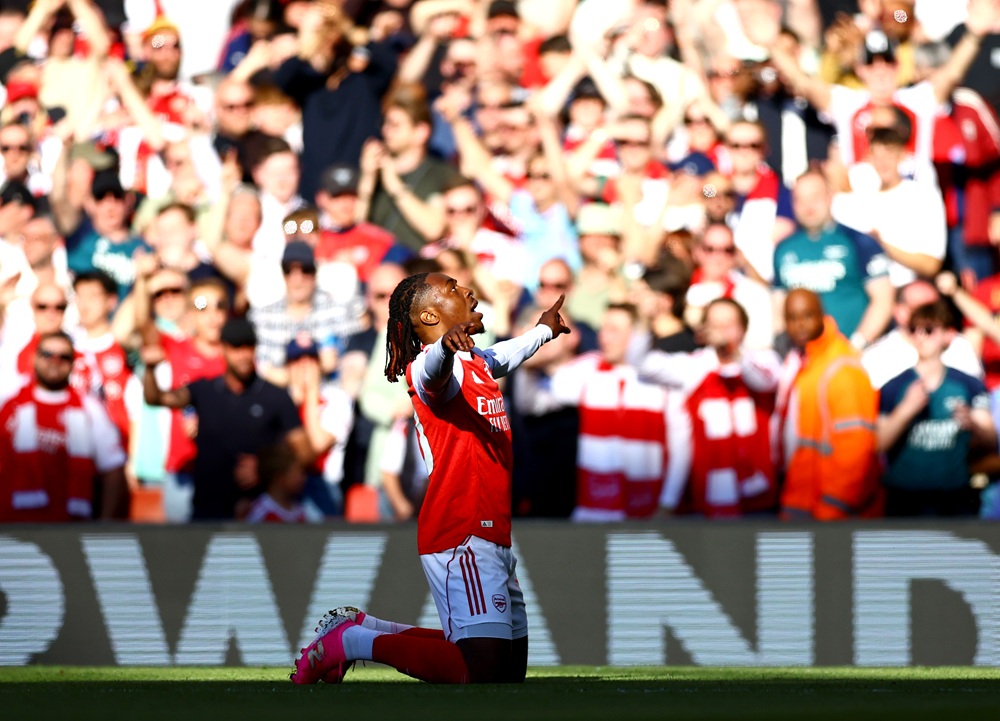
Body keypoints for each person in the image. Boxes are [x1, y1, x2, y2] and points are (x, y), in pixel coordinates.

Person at [291, 271, 569, 685]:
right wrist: (443, 345)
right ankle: (350, 643)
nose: (468, 291)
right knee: (481, 673)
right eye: (453, 289)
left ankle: (366, 627)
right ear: (429, 314)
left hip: (491, 529)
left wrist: (543, 332)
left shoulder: (475, 362)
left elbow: (506, 354)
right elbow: (433, 369)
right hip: (461, 531)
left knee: (508, 674)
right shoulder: (427, 367)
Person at [141, 316, 313, 520]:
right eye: (235, 347)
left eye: (248, 347)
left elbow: (304, 451)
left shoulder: (275, 396)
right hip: (207, 512)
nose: (243, 355)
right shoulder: (204, 390)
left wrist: (264, 467)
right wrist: (150, 369)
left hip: (258, 514)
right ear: (223, 348)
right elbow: (156, 399)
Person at [515, 302, 668, 521]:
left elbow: (679, 443)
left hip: (649, 506)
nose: (604, 337)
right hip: (596, 509)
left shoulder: (660, 373)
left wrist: (669, 502)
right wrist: (528, 367)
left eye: (614, 330)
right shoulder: (586, 370)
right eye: (603, 329)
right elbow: (532, 403)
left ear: (637, 335)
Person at [640, 298, 781, 517]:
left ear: (743, 328)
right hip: (710, 500)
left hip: (757, 497)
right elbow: (645, 367)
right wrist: (671, 330)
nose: (722, 330)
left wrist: (732, 351)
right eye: (716, 324)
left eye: (729, 323)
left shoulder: (762, 358)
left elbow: (766, 381)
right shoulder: (694, 365)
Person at [877, 300, 995, 517]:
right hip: (904, 500)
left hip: (953, 499)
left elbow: (992, 439)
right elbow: (877, 443)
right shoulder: (893, 386)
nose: (920, 336)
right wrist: (905, 411)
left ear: (948, 335)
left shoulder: (968, 384)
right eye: (914, 329)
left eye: (929, 330)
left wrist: (973, 424)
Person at [0, 330, 129, 522]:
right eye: (47, 354)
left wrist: (104, 523)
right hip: (12, 526)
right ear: (34, 358)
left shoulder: (90, 408)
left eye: (64, 357)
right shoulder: (8, 404)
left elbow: (113, 469)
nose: (55, 361)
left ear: (72, 363)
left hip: (69, 530)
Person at [776, 288, 882, 520]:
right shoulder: (805, 362)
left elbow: (855, 448)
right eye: (792, 318)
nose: (800, 325)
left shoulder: (841, 368)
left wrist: (834, 507)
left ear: (823, 315)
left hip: (829, 511)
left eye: (807, 315)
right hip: (803, 501)